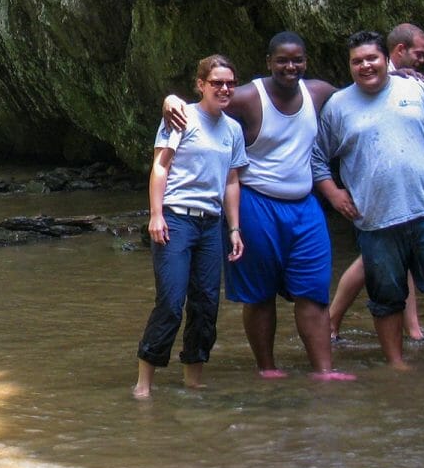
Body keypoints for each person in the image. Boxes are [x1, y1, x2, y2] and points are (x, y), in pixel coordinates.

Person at [164, 33, 353, 380]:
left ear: (306, 62)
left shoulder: (320, 93)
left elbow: (358, 99)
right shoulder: (250, 97)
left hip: (304, 204)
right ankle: (267, 368)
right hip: (256, 202)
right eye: (282, 60)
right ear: (269, 62)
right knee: (259, 293)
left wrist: (398, 76)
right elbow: (206, 101)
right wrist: (170, 98)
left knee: (313, 290)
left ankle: (324, 371)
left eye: (297, 60)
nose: (290, 67)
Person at [312, 30, 424, 368]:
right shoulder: (338, 107)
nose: (365, 65)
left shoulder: (418, 89)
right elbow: (316, 156)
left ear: (386, 59)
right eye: (357, 61)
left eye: (371, 58)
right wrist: (333, 191)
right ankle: (395, 361)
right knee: (385, 295)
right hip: (375, 218)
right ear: (350, 66)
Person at [134, 55, 246, 398]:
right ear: (201, 85)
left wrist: (234, 229)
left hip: (211, 224)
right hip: (177, 219)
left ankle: (193, 380)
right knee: (170, 301)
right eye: (216, 83)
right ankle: (144, 383)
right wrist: (156, 214)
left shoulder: (233, 130)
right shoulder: (181, 117)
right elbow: (160, 167)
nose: (224, 89)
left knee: (206, 304)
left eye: (229, 83)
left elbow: (231, 181)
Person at [329, 22, 424, 341]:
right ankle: (331, 321)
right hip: (376, 193)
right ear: (399, 51)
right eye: (419, 53)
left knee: (404, 259)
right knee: (369, 262)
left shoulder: (410, 85)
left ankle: (412, 328)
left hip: (407, 191)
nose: (422, 61)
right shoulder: (375, 82)